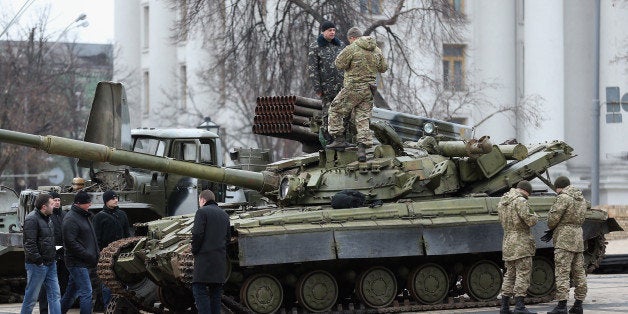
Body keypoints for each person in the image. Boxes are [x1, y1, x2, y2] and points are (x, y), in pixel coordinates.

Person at [326, 26, 388, 162]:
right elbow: (384, 68)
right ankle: (362, 150)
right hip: (370, 90)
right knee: (363, 119)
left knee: (335, 109)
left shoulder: (352, 48)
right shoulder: (376, 49)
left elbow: (338, 64)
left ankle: (339, 140)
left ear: (352, 38)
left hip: (353, 88)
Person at [546, 176, 588, 314]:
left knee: (562, 272)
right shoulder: (581, 198)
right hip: (578, 237)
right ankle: (578, 304)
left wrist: (552, 226)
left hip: (564, 238)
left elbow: (552, 220)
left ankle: (562, 306)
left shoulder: (563, 197)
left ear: (559, 187)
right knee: (579, 272)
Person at [497, 180, 538, 314]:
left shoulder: (503, 201)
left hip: (508, 241)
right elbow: (531, 220)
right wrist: (535, 215)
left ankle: (504, 307)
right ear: (526, 191)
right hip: (521, 242)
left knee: (509, 274)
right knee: (523, 273)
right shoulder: (521, 201)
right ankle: (519, 306)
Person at [191, 190, 231, 314]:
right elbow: (228, 239)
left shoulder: (202, 212)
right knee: (216, 296)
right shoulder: (224, 215)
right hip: (219, 263)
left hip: (204, 262)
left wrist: (194, 250)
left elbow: (197, 234)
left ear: (203, 200)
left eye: (199, 201)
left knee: (199, 291)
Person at [21, 194, 61, 314]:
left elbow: (49, 241)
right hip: (37, 266)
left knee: (55, 295)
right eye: (52, 204)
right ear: (44, 207)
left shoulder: (48, 218)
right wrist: (39, 261)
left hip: (50, 263)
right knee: (31, 297)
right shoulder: (32, 219)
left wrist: (53, 256)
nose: (54, 207)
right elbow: (29, 244)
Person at [60, 191, 99, 314]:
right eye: (87, 202)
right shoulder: (71, 219)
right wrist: (88, 255)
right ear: (79, 203)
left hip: (84, 261)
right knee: (86, 292)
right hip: (77, 262)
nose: (90, 204)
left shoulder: (84, 216)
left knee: (71, 293)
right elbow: (70, 243)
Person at [307, 20, 345, 145]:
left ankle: (341, 137)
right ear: (323, 32)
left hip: (341, 86)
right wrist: (317, 88)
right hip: (326, 88)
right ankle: (328, 137)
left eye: (334, 30)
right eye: (330, 30)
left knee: (342, 112)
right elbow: (312, 69)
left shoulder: (340, 45)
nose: (332, 32)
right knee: (328, 112)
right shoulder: (315, 46)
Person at [93, 190, 131, 309]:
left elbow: (127, 235)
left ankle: (124, 307)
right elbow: (96, 238)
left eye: (116, 198)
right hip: (106, 255)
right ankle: (108, 307)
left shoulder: (122, 215)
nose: (116, 200)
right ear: (106, 201)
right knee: (107, 283)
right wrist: (99, 254)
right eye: (112, 198)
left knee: (124, 282)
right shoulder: (99, 217)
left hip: (121, 254)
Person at [38, 192, 68, 314]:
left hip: (63, 254)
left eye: (58, 200)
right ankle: (44, 310)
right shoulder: (46, 217)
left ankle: (59, 309)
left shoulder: (65, 215)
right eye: (54, 200)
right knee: (45, 286)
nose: (57, 202)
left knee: (62, 283)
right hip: (50, 255)